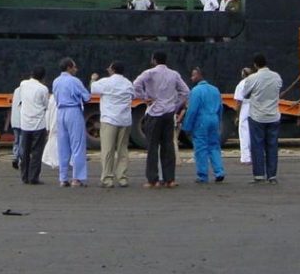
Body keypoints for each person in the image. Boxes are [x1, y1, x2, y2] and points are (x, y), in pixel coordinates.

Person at [132, 50, 189, 188]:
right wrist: (175, 104)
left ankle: (153, 180)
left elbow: (135, 85)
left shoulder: (149, 73)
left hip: (154, 113)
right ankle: (170, 179)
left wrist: (145, 97)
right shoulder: (174, 74)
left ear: (154, 60)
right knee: (168, 146)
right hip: (169, 114)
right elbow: (186, 92)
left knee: (152, 147)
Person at [90, 62, 135, 188]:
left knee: (108, 150)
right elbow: (133, 95)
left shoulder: (106, 82)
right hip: (125, 120)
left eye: (109, 68)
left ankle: (107, 179)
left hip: (109, 119)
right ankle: (122, 178)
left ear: (113, 70)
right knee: (123, 149)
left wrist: (93, 79)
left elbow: (93, 89)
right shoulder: (128, 83)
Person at [242, 53, 282, 183]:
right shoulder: (277, 77)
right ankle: (272, 176)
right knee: (272, 146)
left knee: (257, 146)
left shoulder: (252, 78)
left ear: (255, 65)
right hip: (274, 116)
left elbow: (245, 95)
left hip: (257, 117)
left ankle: (259, 175)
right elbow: (278, 90)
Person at [51, 58, 91, 187]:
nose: (76, 69)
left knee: (63, 146)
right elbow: (87, 97)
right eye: (74, 67)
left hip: (60, 112)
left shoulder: (56, 81)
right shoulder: (75, 81)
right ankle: (77, 178)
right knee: (77, 145)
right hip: (73, 111)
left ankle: (63, 178)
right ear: (69, 67)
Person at [182, 67, 226, 183]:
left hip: (201, 120)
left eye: (193, 75)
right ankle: (219, 171)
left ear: (199, 75)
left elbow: (192, 110)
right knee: (214, 146)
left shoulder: (196, 91)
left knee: (201, 148)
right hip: (214, 119)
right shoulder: (215, 89)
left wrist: (187, 126)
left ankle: (203, 175)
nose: (191, 78)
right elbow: (220, 108)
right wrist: (219, 121)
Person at [16, 66, 50, 185]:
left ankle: (24, 176)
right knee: (37, 152)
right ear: (43, 77)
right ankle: (33, 177)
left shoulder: (23, 84)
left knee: (25, 151)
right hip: (39, 124)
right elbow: (46, 105)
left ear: (31, 74)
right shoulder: (43, 89)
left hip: (25, 123)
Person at [232, 66, 255, 165]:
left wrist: (237, 115)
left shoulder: (241, 84)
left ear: (243, 75)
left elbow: (238, 102)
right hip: (255, 108)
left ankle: (246, 158)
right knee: (254, 133)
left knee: (244, 133)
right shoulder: (255, 83)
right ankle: (255, 156)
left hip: (245, 108)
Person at [9, 83, 23, 169]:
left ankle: (15, 156)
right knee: (22, 141)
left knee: (16, 140)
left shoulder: (16, 90)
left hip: (14, 120)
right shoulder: (25, 92)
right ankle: (21, 159)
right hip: (22, 122)